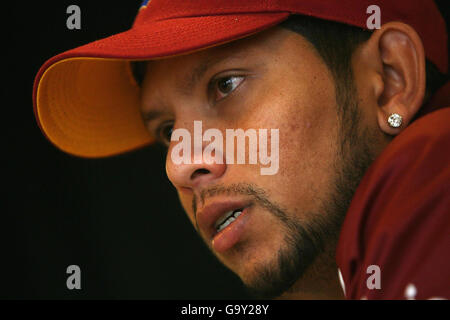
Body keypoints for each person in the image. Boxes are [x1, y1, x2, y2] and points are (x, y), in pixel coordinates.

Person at [33, 0, 449, 299]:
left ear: (391, 80)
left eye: (226, 84)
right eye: (166, 131)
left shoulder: (434, 171)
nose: (178, 165)